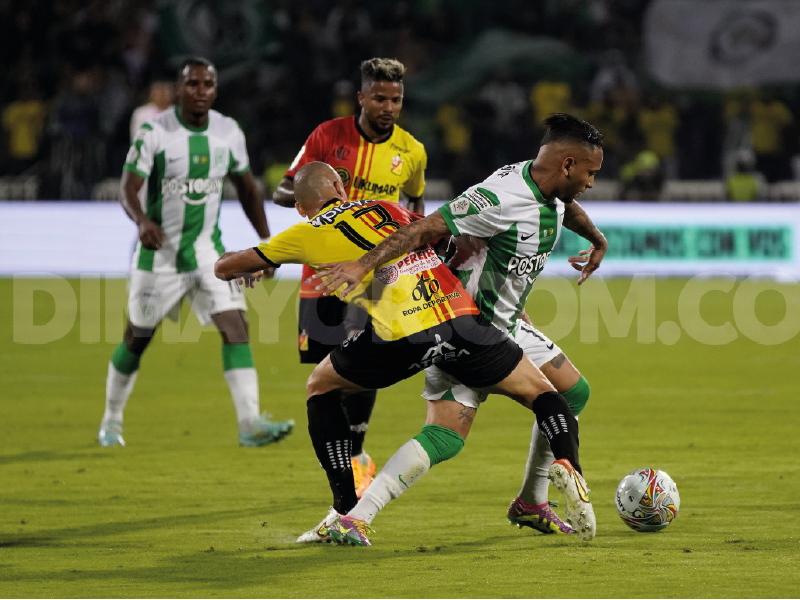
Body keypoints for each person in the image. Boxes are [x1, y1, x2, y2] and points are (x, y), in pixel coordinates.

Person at [215, 161, 595, 545]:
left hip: (402, 336)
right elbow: (444, 240)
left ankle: (345, 510)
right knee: (546, 394)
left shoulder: (302, 231)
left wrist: (255, 264)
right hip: (461, 320)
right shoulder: (387, 208)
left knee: (321, 385)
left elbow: (225, 267)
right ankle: (569, 468)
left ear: (300, 207)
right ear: (340, 187)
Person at [314, 113, 607, 545]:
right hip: (465, 330)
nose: (592, 183)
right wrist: (363, 265)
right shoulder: (499, 196)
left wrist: (597, 239)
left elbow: (565, 205)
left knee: (574, 392)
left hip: (509, 325)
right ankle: (357, 516)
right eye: (590, 173)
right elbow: (425, 227)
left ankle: (531, 500)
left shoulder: (544, 185)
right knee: (446, 436)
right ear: (566, 165)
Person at [97, 57, 294, 448]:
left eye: (207, 85)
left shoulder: (228, 132)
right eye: (192, 84)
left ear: (215, 90)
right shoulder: (155, 132)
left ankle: (250, 423)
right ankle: (111, 419)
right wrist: (141, 221)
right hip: (159, 257)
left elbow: (248, 190)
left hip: (209, 254)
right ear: (178, 89)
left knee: (235, 327)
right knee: (137, 337)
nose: (200, 91)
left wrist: (267, 249)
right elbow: (128, 187)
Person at [271, 58, 427, 497]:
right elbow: (285, 190)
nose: (389, 107)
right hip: (321, 272)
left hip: (376, 274)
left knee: (360, 358)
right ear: (361, 98)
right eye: (379, 98)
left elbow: (415, 211)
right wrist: (324, 192)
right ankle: (347, 458)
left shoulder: (411, 151)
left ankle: (355, 458)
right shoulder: (327, 136)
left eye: (396, 99)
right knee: (324, 374)